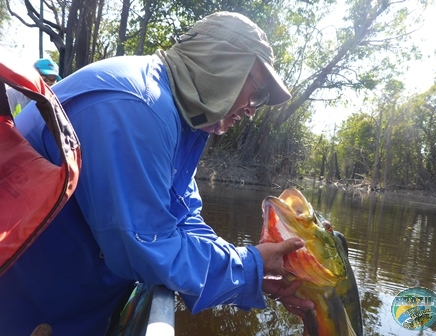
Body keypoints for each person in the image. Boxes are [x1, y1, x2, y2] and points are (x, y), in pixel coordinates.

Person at [0, 12, 313, 335]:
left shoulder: (183, 118)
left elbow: (183, 217)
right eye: (257, 92)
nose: (251, 110)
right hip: (21, 309)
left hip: (66, 305)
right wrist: (249, 266)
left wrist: (254, 273)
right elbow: (145, 247)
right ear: (221, 64)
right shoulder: (138, 107)